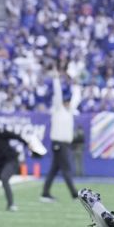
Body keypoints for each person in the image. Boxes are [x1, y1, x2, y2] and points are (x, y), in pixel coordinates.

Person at [40, 71, 81, 202]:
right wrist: (56, 80)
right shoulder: (58, 109)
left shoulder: (69, 112)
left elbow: (77, 98)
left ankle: (45, 193)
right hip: (58, 143)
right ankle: (74, 194)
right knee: (66, 169)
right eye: (67, 101)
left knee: (54, 169)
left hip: (65, 144)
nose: (69, 103)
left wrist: (76, 85)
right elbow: (57, 95)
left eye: (69, 101)